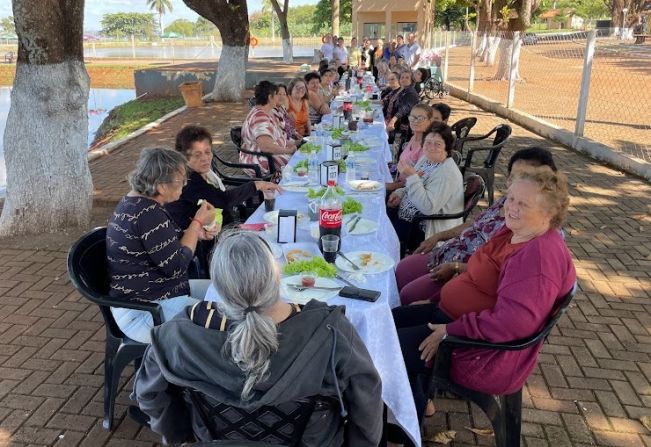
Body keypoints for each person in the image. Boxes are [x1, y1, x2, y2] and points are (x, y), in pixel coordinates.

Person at [132, 230, 384, 446]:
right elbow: (367, 401)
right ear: (276, 276)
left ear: (218, 286)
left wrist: (182, 436)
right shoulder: (332, 332)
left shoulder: (175, 335)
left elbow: (150, 396)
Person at [387, 165, 575, 445]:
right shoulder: (516, 233)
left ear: (549, 213)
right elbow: (476, 278)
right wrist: (438, 298)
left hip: (475, 351)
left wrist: (452, 331)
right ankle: (409, 415)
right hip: (455, 320)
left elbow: (514, 323)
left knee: (380, 347)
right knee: (383, 322)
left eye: (522, 203)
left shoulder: (537, 257)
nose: (511, 207)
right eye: (510, 198)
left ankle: (391, 430)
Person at [396, 147, 558, 305]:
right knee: (401, 270)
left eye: (526, 177)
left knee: (408, 295)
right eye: (513, 176)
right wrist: (438, 236)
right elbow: (475, 223)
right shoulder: (507, 201)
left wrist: (456, 268)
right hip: (450, 251)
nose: (518, 183)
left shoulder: (528, 225)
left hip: (464, 272)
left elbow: (498, 273)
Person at [106, 148, 218, 344]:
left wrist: (195, 235)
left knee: (229, 291)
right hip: (145, 311)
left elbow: (165, 246)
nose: (184, 185)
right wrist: (197, 223)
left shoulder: (137, 202)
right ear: (160, 184)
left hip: (161, 293)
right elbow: (177, 266)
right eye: (180, 181)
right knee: (225, 319)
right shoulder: (147, 214)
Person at [167, 125, 281, 230]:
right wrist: (257, 184)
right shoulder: (189, 181)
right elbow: (225, 200)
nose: (205, 158)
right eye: (197, 155)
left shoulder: (201, 174)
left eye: (207, 152)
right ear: (184, 158)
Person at [387, 124, 464, 248]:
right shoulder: (426, 160)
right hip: (406, 215)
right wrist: (399, 194)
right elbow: (413, 185)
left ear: (447, 147)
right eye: (428, 142)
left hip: (422, 228)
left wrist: (411, 175)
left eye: (438, 144)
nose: (431, 147)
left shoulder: (446, 174)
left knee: (382, 233)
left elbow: (428, 207)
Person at [240, 81, 296, 176]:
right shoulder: (260, 117)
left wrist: (292, 144)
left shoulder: (265, 112)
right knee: (302, 166)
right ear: (270, 97)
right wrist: (289, 151)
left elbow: (277, 137)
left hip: (270, 157)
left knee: (305, 159)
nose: (278, 98)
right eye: (276, 95)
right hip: (262, 161)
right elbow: (267, 147)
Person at [386, 104, 435, 192]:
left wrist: (393, 186)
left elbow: (420, 178)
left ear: (430, 121)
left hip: (408, 192)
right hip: (398, 182)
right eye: (412, 117)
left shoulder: (427, 147)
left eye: (420, 118)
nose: (415, 121)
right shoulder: (413, 138)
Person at [385, 70, 419, 137]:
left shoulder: (411, 93)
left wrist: (392, 121)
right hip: (397, 122)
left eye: (407, 77)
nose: (404, 79)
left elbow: (404, 108)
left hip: (404, 126)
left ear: (411, 80)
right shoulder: (403, 90)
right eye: (402, 77)